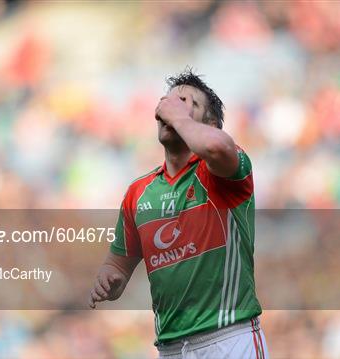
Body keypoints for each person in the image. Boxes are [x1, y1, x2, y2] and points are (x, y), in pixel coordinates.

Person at [89, 69, 268, 358]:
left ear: (210, 124)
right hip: (171, 348)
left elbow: (216, 145)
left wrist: (179, 118)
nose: (171, 110)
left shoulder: (220, 172)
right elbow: (118, 265)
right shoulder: (139, 192)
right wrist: (110, 279)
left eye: (187, 103)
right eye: (168, 103)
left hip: (229, 338)